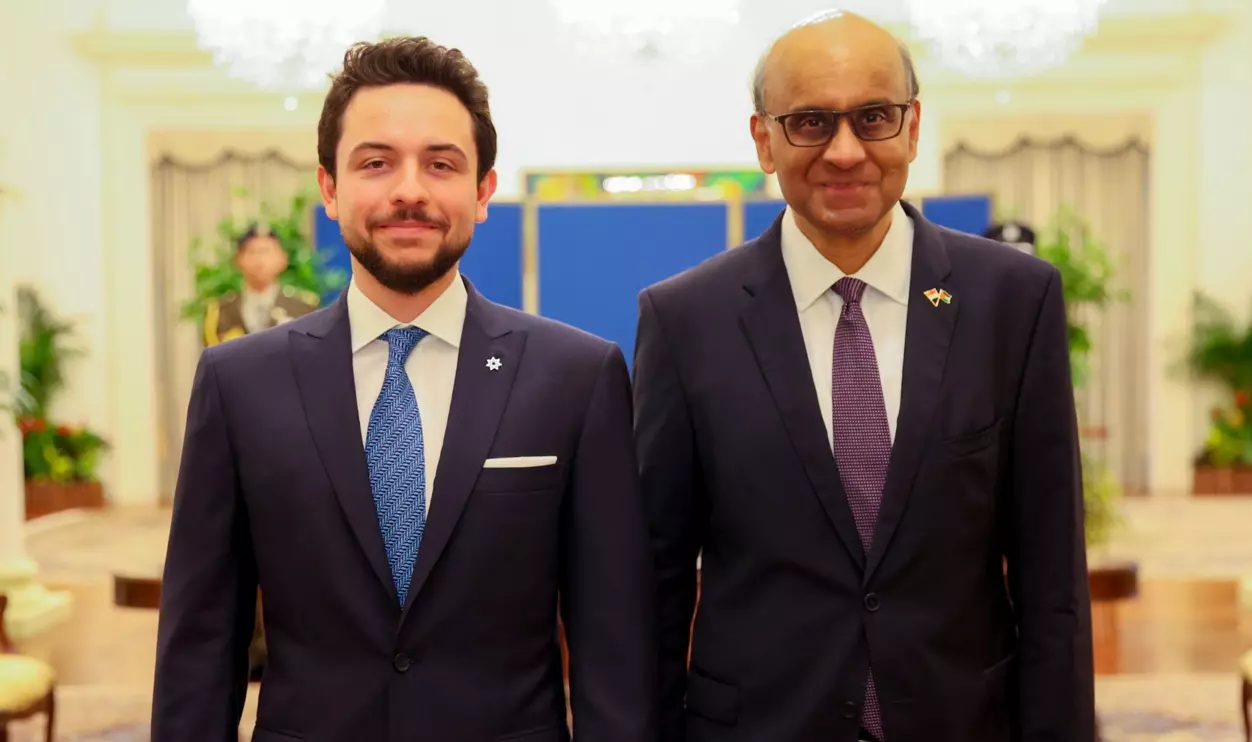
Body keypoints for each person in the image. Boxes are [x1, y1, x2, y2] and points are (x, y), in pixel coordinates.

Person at [153, 36, 656, 742]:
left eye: (441, 163)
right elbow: (200, 640)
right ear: (329, 188)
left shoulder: (576, 376)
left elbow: (613, 643)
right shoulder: (237, 383)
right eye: (376, 162)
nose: (409, 190)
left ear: (483, 191)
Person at [633, 11, 1094, 742]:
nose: (844, 152)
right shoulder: (685, 319)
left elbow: (1052, 578)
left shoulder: (1013, 300)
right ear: (764, 140)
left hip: (964, 720)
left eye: (872, 118)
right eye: (810, 122)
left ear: (911, 127)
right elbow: (653, 585)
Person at [202, 224, 321, 346]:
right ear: (238, 259)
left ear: (283, 259)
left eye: (266, 251)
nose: (259, 259)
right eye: (252, 252)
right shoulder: (219, 312)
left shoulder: (303, 309)